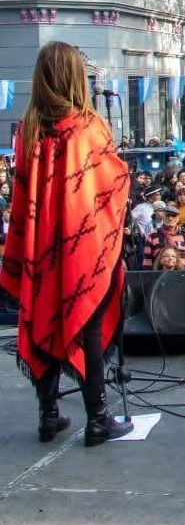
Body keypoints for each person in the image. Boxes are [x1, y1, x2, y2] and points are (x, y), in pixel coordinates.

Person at [0, 41, 133, 446]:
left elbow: (25, 196)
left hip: (41, 245)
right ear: (76, 77)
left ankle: (49, 415)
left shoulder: (28, 130)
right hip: (81, 247)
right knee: (86, 324)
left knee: (43, 314)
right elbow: (112, 183)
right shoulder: (89, 128)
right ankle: (98, 419)